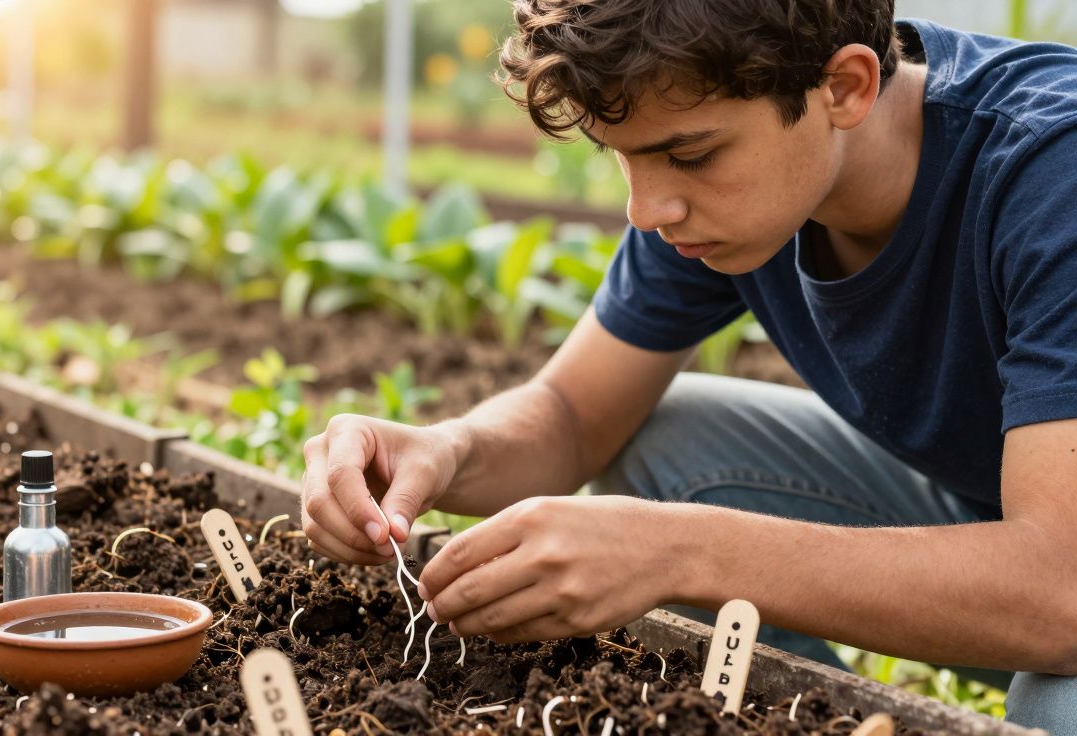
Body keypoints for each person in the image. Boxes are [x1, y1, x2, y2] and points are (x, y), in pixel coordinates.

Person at [299, 1, 1077, 730]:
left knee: (1057, 701)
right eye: (624, 158)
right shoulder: (729, 190)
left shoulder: (1051, 175)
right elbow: (574, 416)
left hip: (1054, 571)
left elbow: (1061, 591)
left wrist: (675, 550)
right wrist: (444, 449)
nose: (646, 210)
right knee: (664, 448)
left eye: (689, 154)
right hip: (997, 522)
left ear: (845, 87)